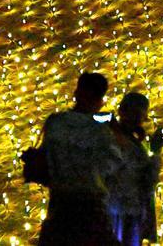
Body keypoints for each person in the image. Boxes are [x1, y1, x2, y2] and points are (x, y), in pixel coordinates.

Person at [38, 72, 123, 246]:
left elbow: (45, 157)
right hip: (90, 208)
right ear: (99, 99)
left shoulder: (55, 123)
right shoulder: (99, 132)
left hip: (60, 205)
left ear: (77, 92)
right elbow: (113, 165)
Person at [106, 92, 163, 246]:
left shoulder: (134, 141)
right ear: (122, 111)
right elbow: (143, 176)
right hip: (119, 212)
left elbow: (147, 178)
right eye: (135, 114)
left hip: (130, 211)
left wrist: (155, 151)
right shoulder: (112, 138)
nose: (138, 120)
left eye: (141, 116)